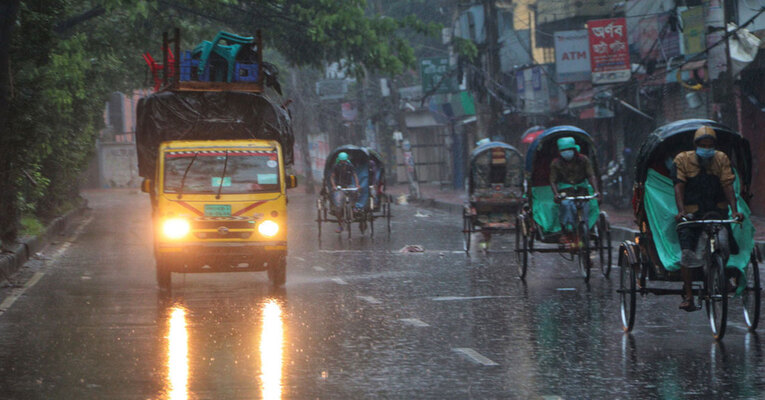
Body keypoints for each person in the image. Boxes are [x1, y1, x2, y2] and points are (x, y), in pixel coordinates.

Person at [672, 126, 743, 311]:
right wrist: (681, 212)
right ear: (696, 145)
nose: (706, 148)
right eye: (702, 145)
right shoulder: (683, 159)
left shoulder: (721, 159)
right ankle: (688, 295)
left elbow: (728, 185)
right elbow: (679, 186)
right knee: (687, 253)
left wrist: (734, 211)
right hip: (692, 213)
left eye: (709, 145)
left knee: (725, 244)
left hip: (716, 212)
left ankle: (724, 276)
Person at [550, 137, 600, 242]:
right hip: (566, 191)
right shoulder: (556, 163)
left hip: (582, 190)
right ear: (560, 152)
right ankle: (566, 229)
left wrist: (596, 190)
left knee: (587, 207)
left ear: (574, 149)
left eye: (569, 149)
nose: (566, 152)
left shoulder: (584, 160)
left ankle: (587, 228)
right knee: (565, 205)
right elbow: (553, 181)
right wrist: (556, 194)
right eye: (563, 150)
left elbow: (591, 175)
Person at [330, 152, 360, 233]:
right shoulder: (336, 166)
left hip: (349, 185)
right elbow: (332, 177)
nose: (343, 162)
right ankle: (340, 225)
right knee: (338, 207)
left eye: (344, 161)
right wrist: (334, 186)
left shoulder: (350, 166)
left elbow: (355, 175)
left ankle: (354, 206)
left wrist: (357, 185)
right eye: (341, 161)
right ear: (339, 160)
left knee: (355, 193)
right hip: (339, 187)